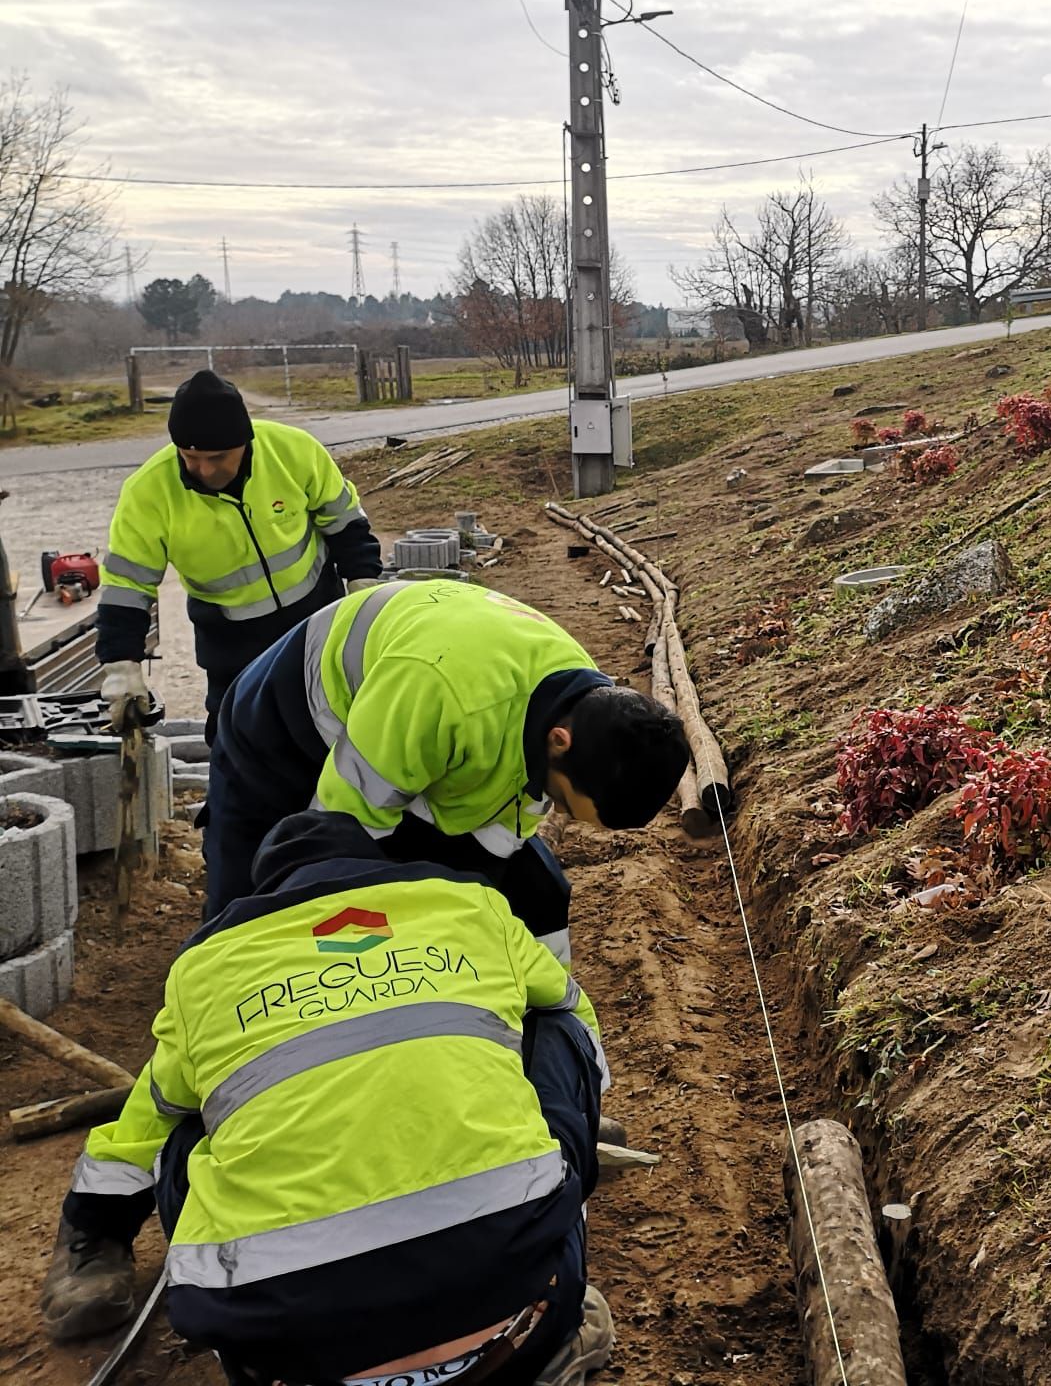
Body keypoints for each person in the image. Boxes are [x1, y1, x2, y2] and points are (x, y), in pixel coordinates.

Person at [41, 810, 615, 1384]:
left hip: (282, 1351)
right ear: (371, 865)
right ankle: (550, 1330)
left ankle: (108, 1255)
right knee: (554, 1023)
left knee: (183, 1124)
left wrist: (95, 1226)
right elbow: (570, 1007)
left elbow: (144, 1125)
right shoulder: (468, 906)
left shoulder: (206, 967)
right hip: (519, 1321)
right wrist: (566, 1118)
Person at [202, 577, 691, 963]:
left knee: (516, 878)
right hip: (285, 717)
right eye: (561, 801)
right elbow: (333, 832)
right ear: (559, 742)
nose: (552, 811)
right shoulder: (442, 695)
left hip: (395, 722)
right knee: (256, 891)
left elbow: (499, 836)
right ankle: (218, 997)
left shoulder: (579, 705)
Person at [97, 370, 385, 739]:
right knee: (235, 735)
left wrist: (363, 581)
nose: (204, 469)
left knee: (331, 721)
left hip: (316, 615)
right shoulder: (147, 493)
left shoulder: (293, 451)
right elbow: (126, 587)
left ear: (245, 443)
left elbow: (344, 522)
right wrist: (122, 666)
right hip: (228, 636)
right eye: (190, 457)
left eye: (218, 457)